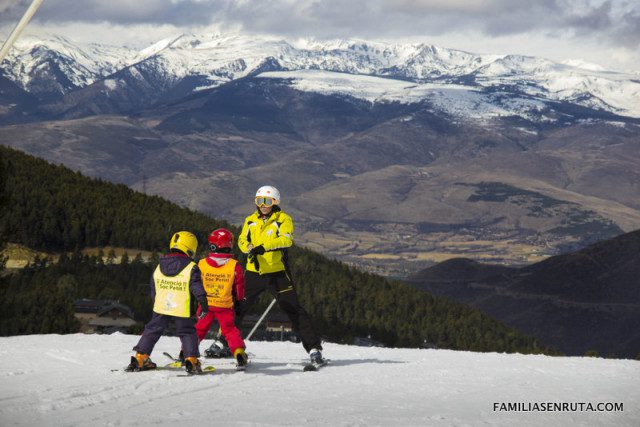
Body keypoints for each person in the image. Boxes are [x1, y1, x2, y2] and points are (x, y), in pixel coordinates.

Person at [206, 185, 325, 365]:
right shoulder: (250, 220)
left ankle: (314, 349)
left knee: (292, 308)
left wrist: (264, 246)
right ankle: (223, 342)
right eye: (259, 201)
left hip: (277, 272)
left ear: (275, 202)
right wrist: (249, 249)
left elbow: (286, 239)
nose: (262, 205)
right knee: (238, 306)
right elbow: (242, 240)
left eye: (267, 201)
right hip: (254, 272)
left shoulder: (283, 219)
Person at [126, 231, 209, 374]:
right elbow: (197, 287)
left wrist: (155, 300)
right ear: (190, 248)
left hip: (161, 305)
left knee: (152, 330)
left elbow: (154, 285)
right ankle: (191, 360)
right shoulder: (191, 267)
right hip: (182, 307)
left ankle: (140, 358)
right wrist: (203, 303)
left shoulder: (159, 265)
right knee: (187, 332)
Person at [189, 228, 248, 368]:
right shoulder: (235, 265)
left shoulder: (202, 264)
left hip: (205, 305)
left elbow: (195, 284)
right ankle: (239, 352)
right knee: (230, 331)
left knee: (199, 329)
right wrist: (239, 302)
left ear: (213, 245)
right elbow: (239, 287)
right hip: (225, 306)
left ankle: (187, 353)